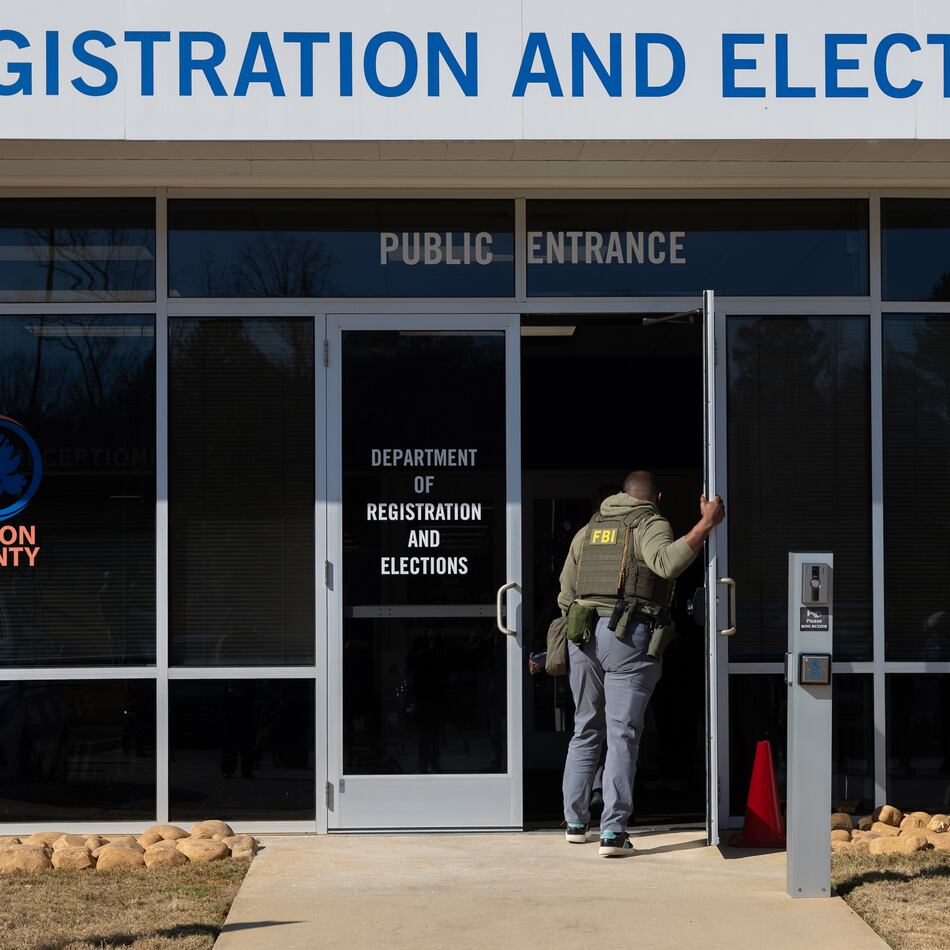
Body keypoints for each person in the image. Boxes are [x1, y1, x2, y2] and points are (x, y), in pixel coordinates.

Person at [557, 470, 725, 857]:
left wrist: (586, 623)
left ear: (620, 495)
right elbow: (666, 563)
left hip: (581, 635)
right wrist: (705, 523)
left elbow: (566, 593)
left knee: (585, 729)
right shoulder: (650, 523)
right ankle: (612, 833)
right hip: (627, 636)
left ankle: (576, 823)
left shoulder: (589, 528)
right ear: (657, 497)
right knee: (622, 734)